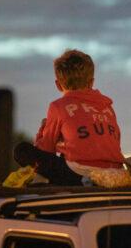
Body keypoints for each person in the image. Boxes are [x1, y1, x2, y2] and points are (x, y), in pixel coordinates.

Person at [14, 49, 125, 185]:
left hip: (78, 175)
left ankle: (51, 181)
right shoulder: (107, 107)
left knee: (22, 150)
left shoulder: (58, 106)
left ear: (58, 85)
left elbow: (46, 148)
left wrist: (43, 130)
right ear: (91, 82)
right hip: (116, 173)